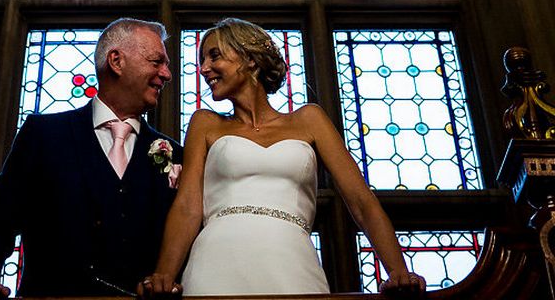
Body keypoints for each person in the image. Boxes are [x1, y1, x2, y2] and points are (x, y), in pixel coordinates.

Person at [140, 19, 425, 297]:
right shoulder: (205, 123)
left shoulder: (309, 120)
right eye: (203, 60)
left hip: (292, 262)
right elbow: (188, 206)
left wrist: (398, 272)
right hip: (214, 265)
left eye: (215, 56)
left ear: (250, 59)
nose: (204, 69)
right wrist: (163, 276)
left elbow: (361, 201)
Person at [0, 19, 181, 300]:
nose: (167, 74)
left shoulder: (174, 153)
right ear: (116, 61)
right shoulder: (43, 135)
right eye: (156, 61)